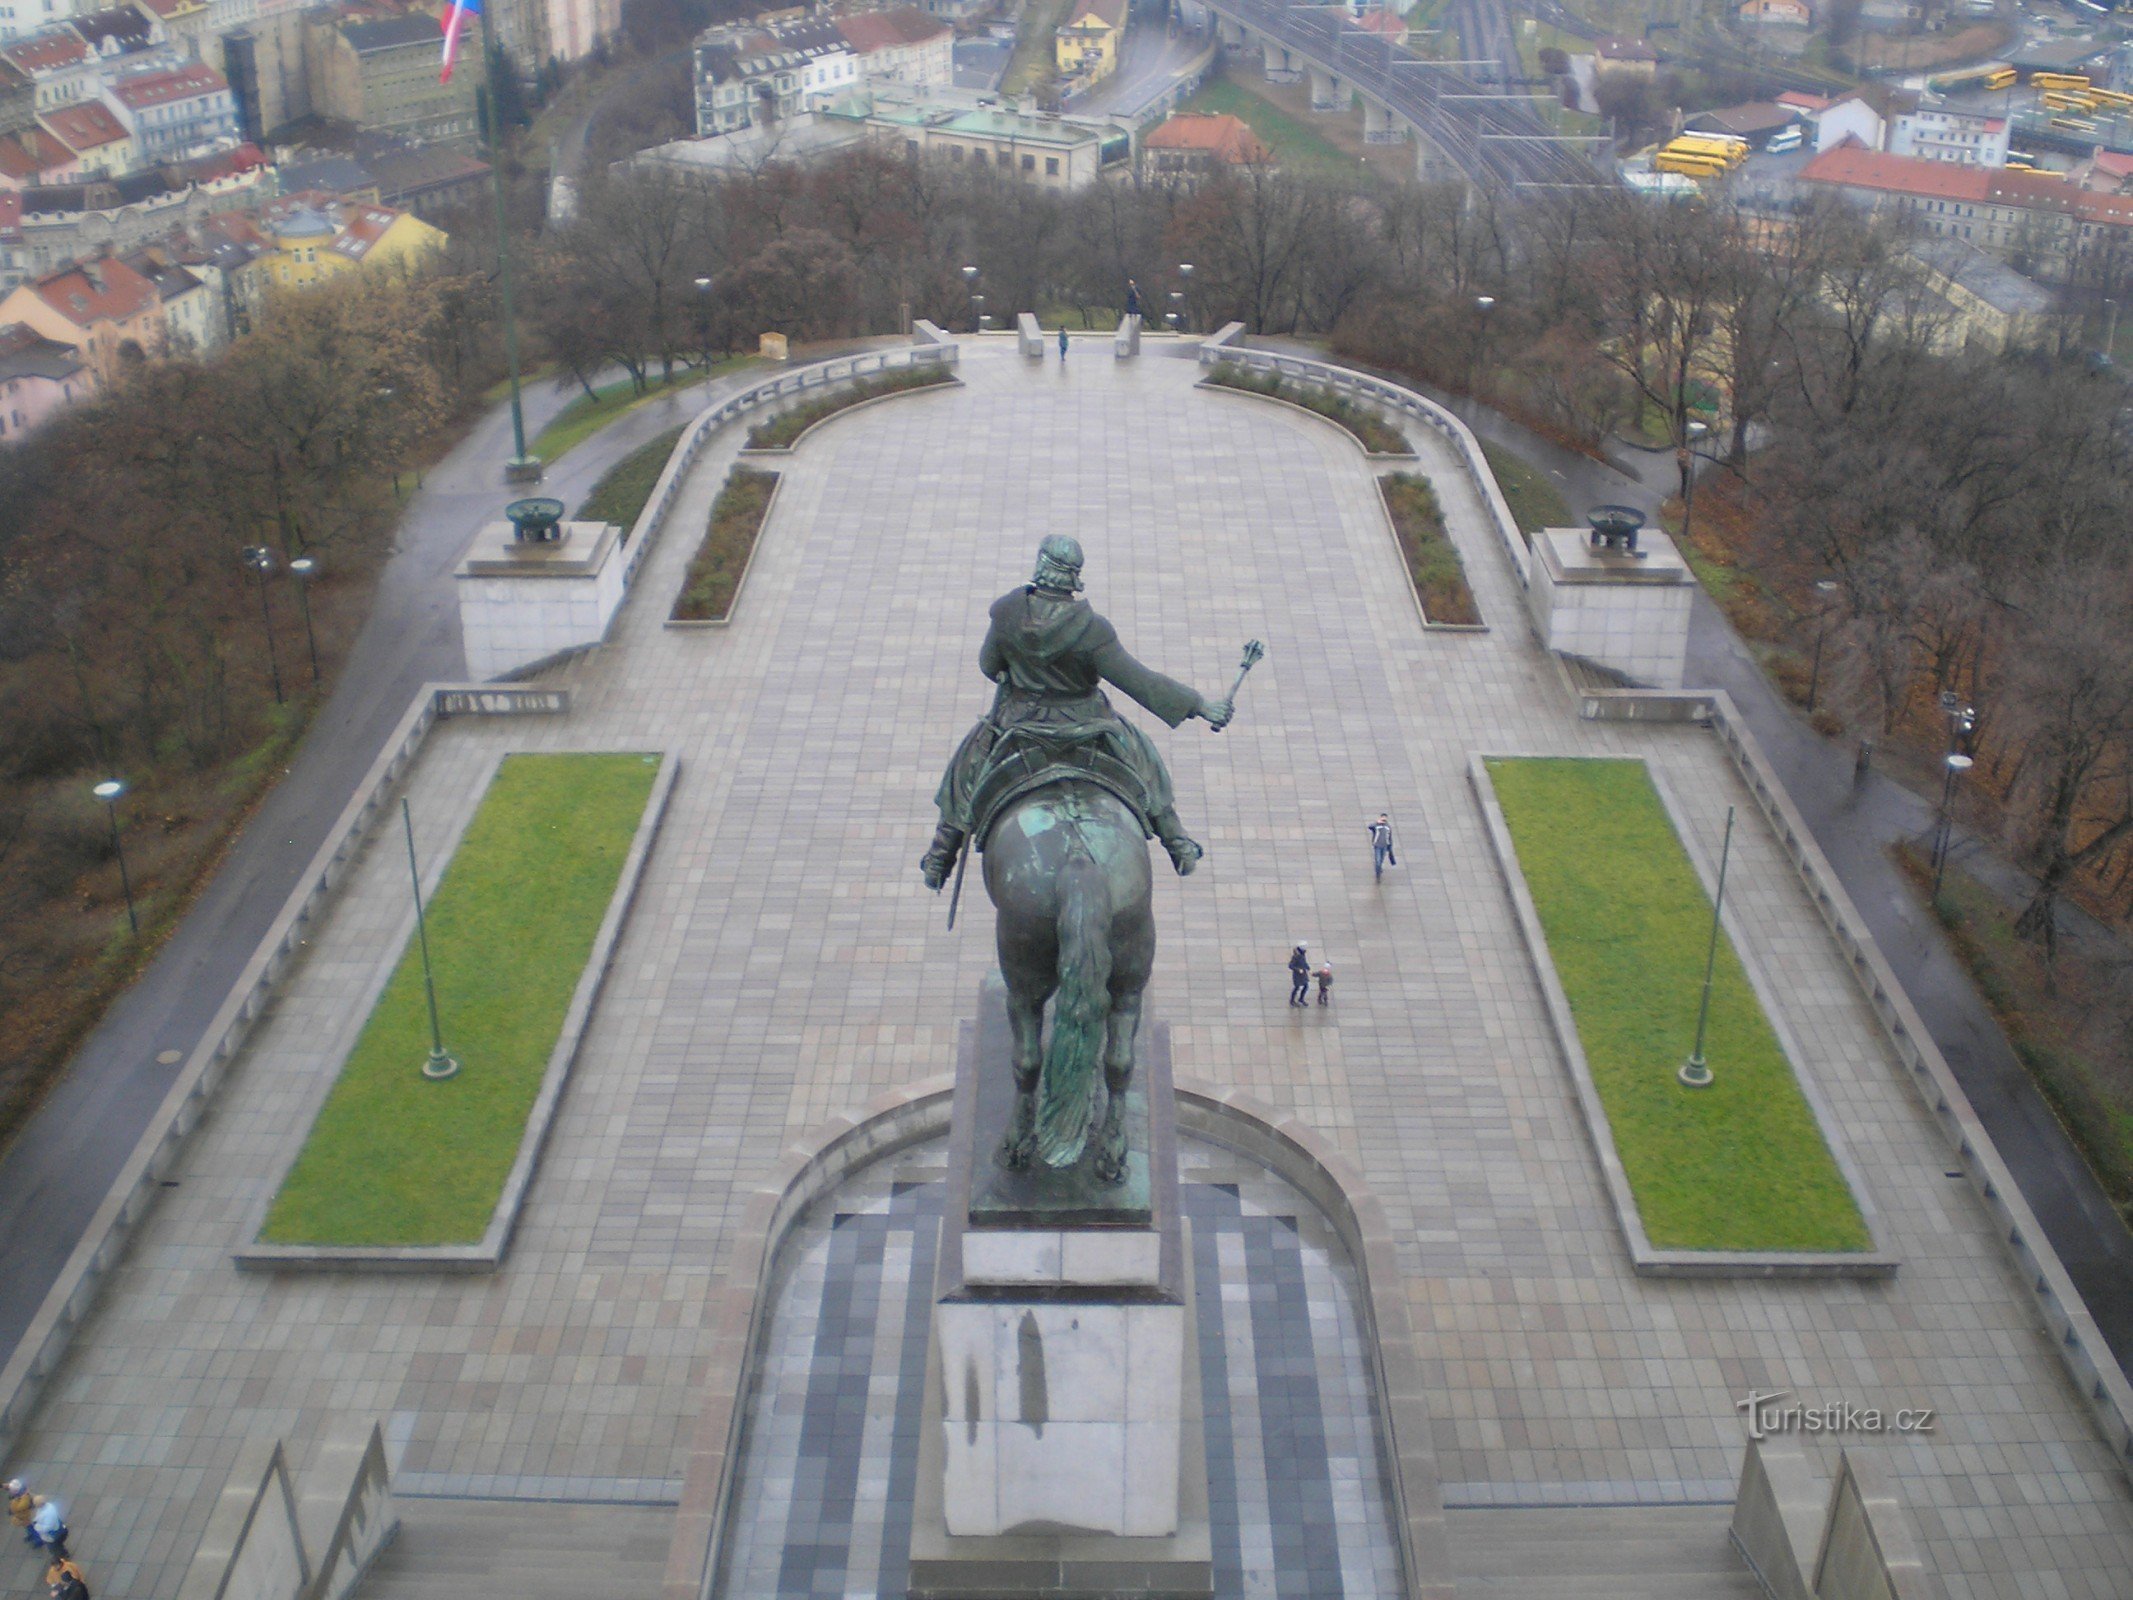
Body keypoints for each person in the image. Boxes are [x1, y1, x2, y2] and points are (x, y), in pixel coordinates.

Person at [921, 537, 1234, 889]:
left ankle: (939, 857)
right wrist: (1200, 705)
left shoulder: (1006, 614)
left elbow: (988, 665)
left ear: (1040, 566)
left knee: (967, 766)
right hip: (1086, 724)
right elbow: (1138, 681)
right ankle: (1176, 841)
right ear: (1074, 577)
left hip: (1019, 723)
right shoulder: (1092, 629)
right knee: (1143, 756)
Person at [8, 1480, 38, 1547]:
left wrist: (13, 1507)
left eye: (11, 1490)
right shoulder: (20, 1496)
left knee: (32, 1528)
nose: (10, 1491)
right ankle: (31, 1535)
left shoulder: (24, 1498)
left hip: (27, 1517)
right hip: (23, 1517)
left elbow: (21, 1507)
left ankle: (38, 1541)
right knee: (28, 1528)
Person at [1367, 813, 1397, 881]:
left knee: (1381, 860)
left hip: (1385, 846)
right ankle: (1378, 873)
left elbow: (1389, 837)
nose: (1384, 819)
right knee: (1378, 860)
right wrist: (1377, 822)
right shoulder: (1376, 825)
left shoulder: (1388, 827)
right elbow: (1369, 827)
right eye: (1383, 818)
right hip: (1377, 845)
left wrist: (1390, 846)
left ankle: (1379, 869)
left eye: (1385, 818)